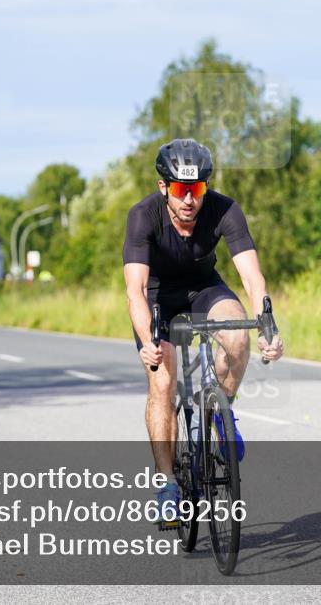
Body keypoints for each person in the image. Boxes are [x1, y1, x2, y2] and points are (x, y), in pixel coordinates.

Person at [122, 138, 285, 525]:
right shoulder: (143, 215)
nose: (190, 200)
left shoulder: (225, 209)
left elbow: (251, 276)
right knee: (162, 383)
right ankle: (167, 486)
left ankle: (218, 411)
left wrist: (268, 324)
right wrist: (149, 344)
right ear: (164, 188)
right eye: (181, 190)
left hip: (203, 288)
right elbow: (136, 290)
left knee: (237, 334)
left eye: (197, 189)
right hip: (160, 297)